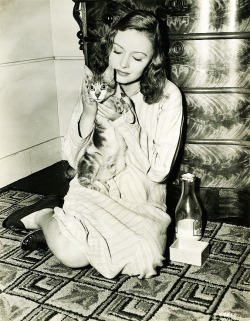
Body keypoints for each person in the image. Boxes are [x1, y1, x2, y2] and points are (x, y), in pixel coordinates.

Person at [3, 10, 183, 279]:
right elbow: (72, 157)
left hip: (140, 198)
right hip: (95, 185)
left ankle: (64, 226)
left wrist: (125, 121)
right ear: (108, 46)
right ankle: (45, 215)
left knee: (146, 260)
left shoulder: (168, 96)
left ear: (152, 61)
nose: (123, 64)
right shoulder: (96, 85)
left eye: (137, 57)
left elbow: (158, 172)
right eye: (117, 51)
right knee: (72, 256)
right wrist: (88, 113)